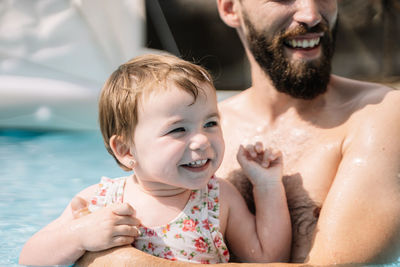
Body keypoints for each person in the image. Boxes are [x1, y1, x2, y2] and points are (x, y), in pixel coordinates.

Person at [75, 0, 400, 266]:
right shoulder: (199, 134)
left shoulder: (382, 116)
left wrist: (127, 262)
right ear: (230, 7)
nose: (311, 15)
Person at [19, 54, 291, 265]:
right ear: (126, 151)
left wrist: (267, 187)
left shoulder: (218, 199)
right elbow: (30, 257)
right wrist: (79, 235)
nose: (202, 140)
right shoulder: (100, 201)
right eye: (178, 129)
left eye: (210, 123)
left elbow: (268, 259)